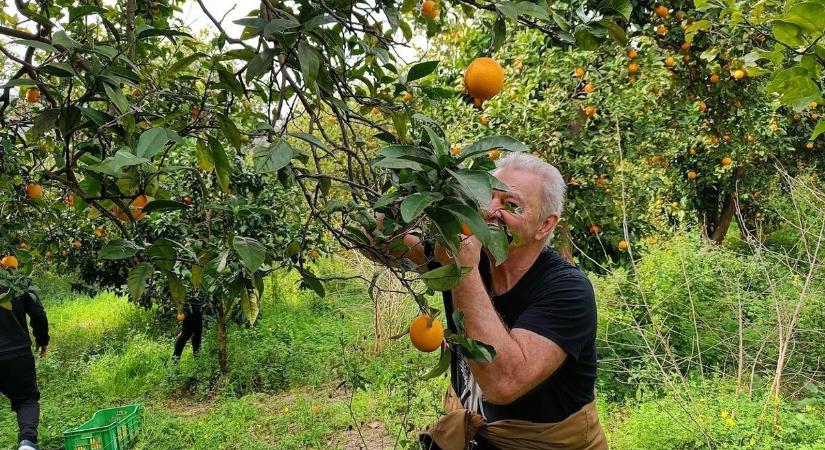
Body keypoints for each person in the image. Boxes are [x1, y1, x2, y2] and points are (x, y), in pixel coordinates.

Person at [375, 152, 606, 449]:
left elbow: (503, 383)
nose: (492, 211)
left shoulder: (568, 290)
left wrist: (464, 268)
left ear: (545, 225)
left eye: (511, 205)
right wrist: (408, 190)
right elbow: (381, 238)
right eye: (487, 199)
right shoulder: (463, 253)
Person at [0, 283, 49, 450]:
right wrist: (42, 339)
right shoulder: (16, 281)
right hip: (17, 353)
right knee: (26, 400)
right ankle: (27, 443)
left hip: (17, 352)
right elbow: (38, 313)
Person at [172, 294, 203, 361]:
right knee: (187, 336)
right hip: (189, 310)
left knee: (195, 337)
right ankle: (175, 360)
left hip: (197, 309)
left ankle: (197, 361)